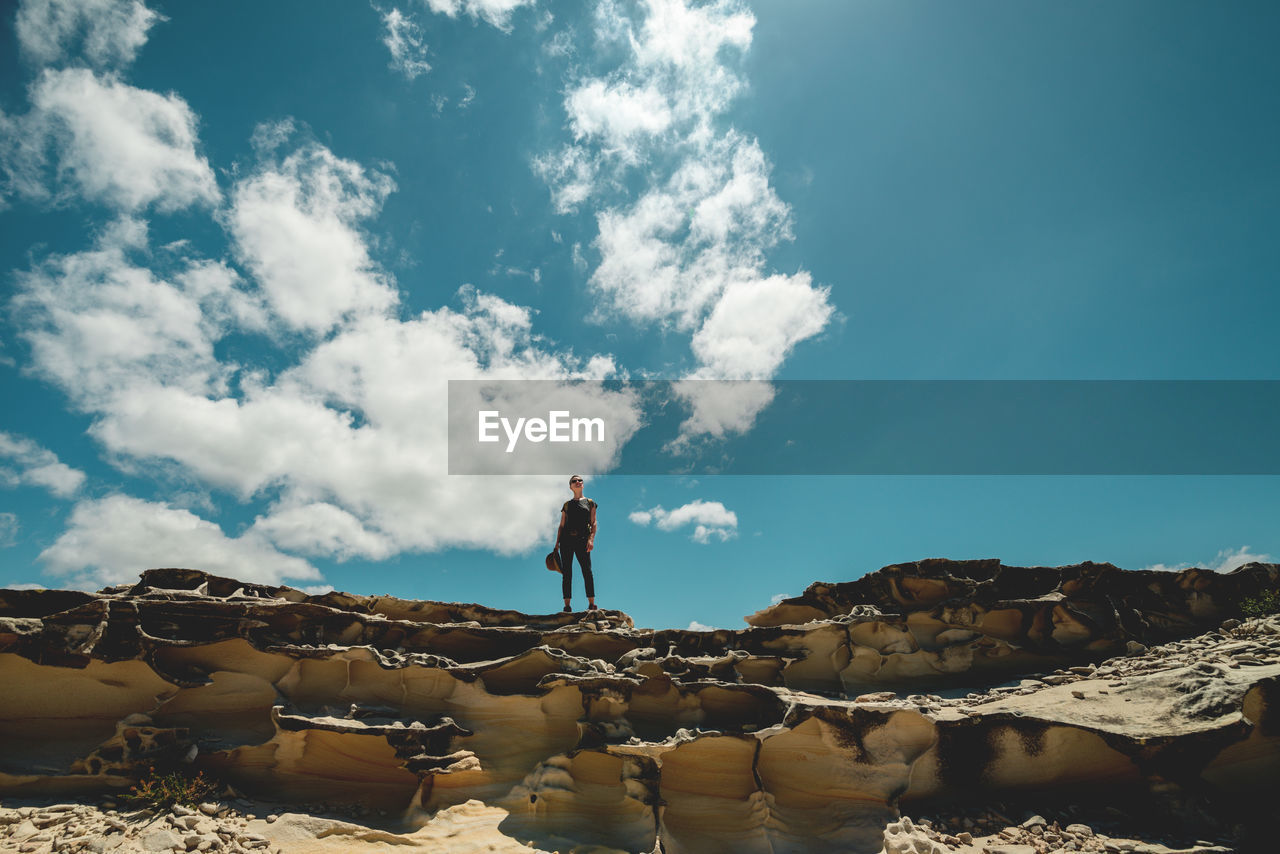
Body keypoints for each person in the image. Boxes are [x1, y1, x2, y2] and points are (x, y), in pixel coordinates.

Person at [555, 474, 597, 612]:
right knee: (567, 573)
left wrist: (591, 539)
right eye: (574, 481)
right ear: (570, 486)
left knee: (587, 571)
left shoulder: (590, 502)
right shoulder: (566, 505)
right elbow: (561, 525)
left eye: (580, 480)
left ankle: (591, 604)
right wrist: (557, 544)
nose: (578, 482)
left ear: (583, 484)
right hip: (566, 540)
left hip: (583, 540)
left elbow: (593, 523)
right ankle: (567, 606)